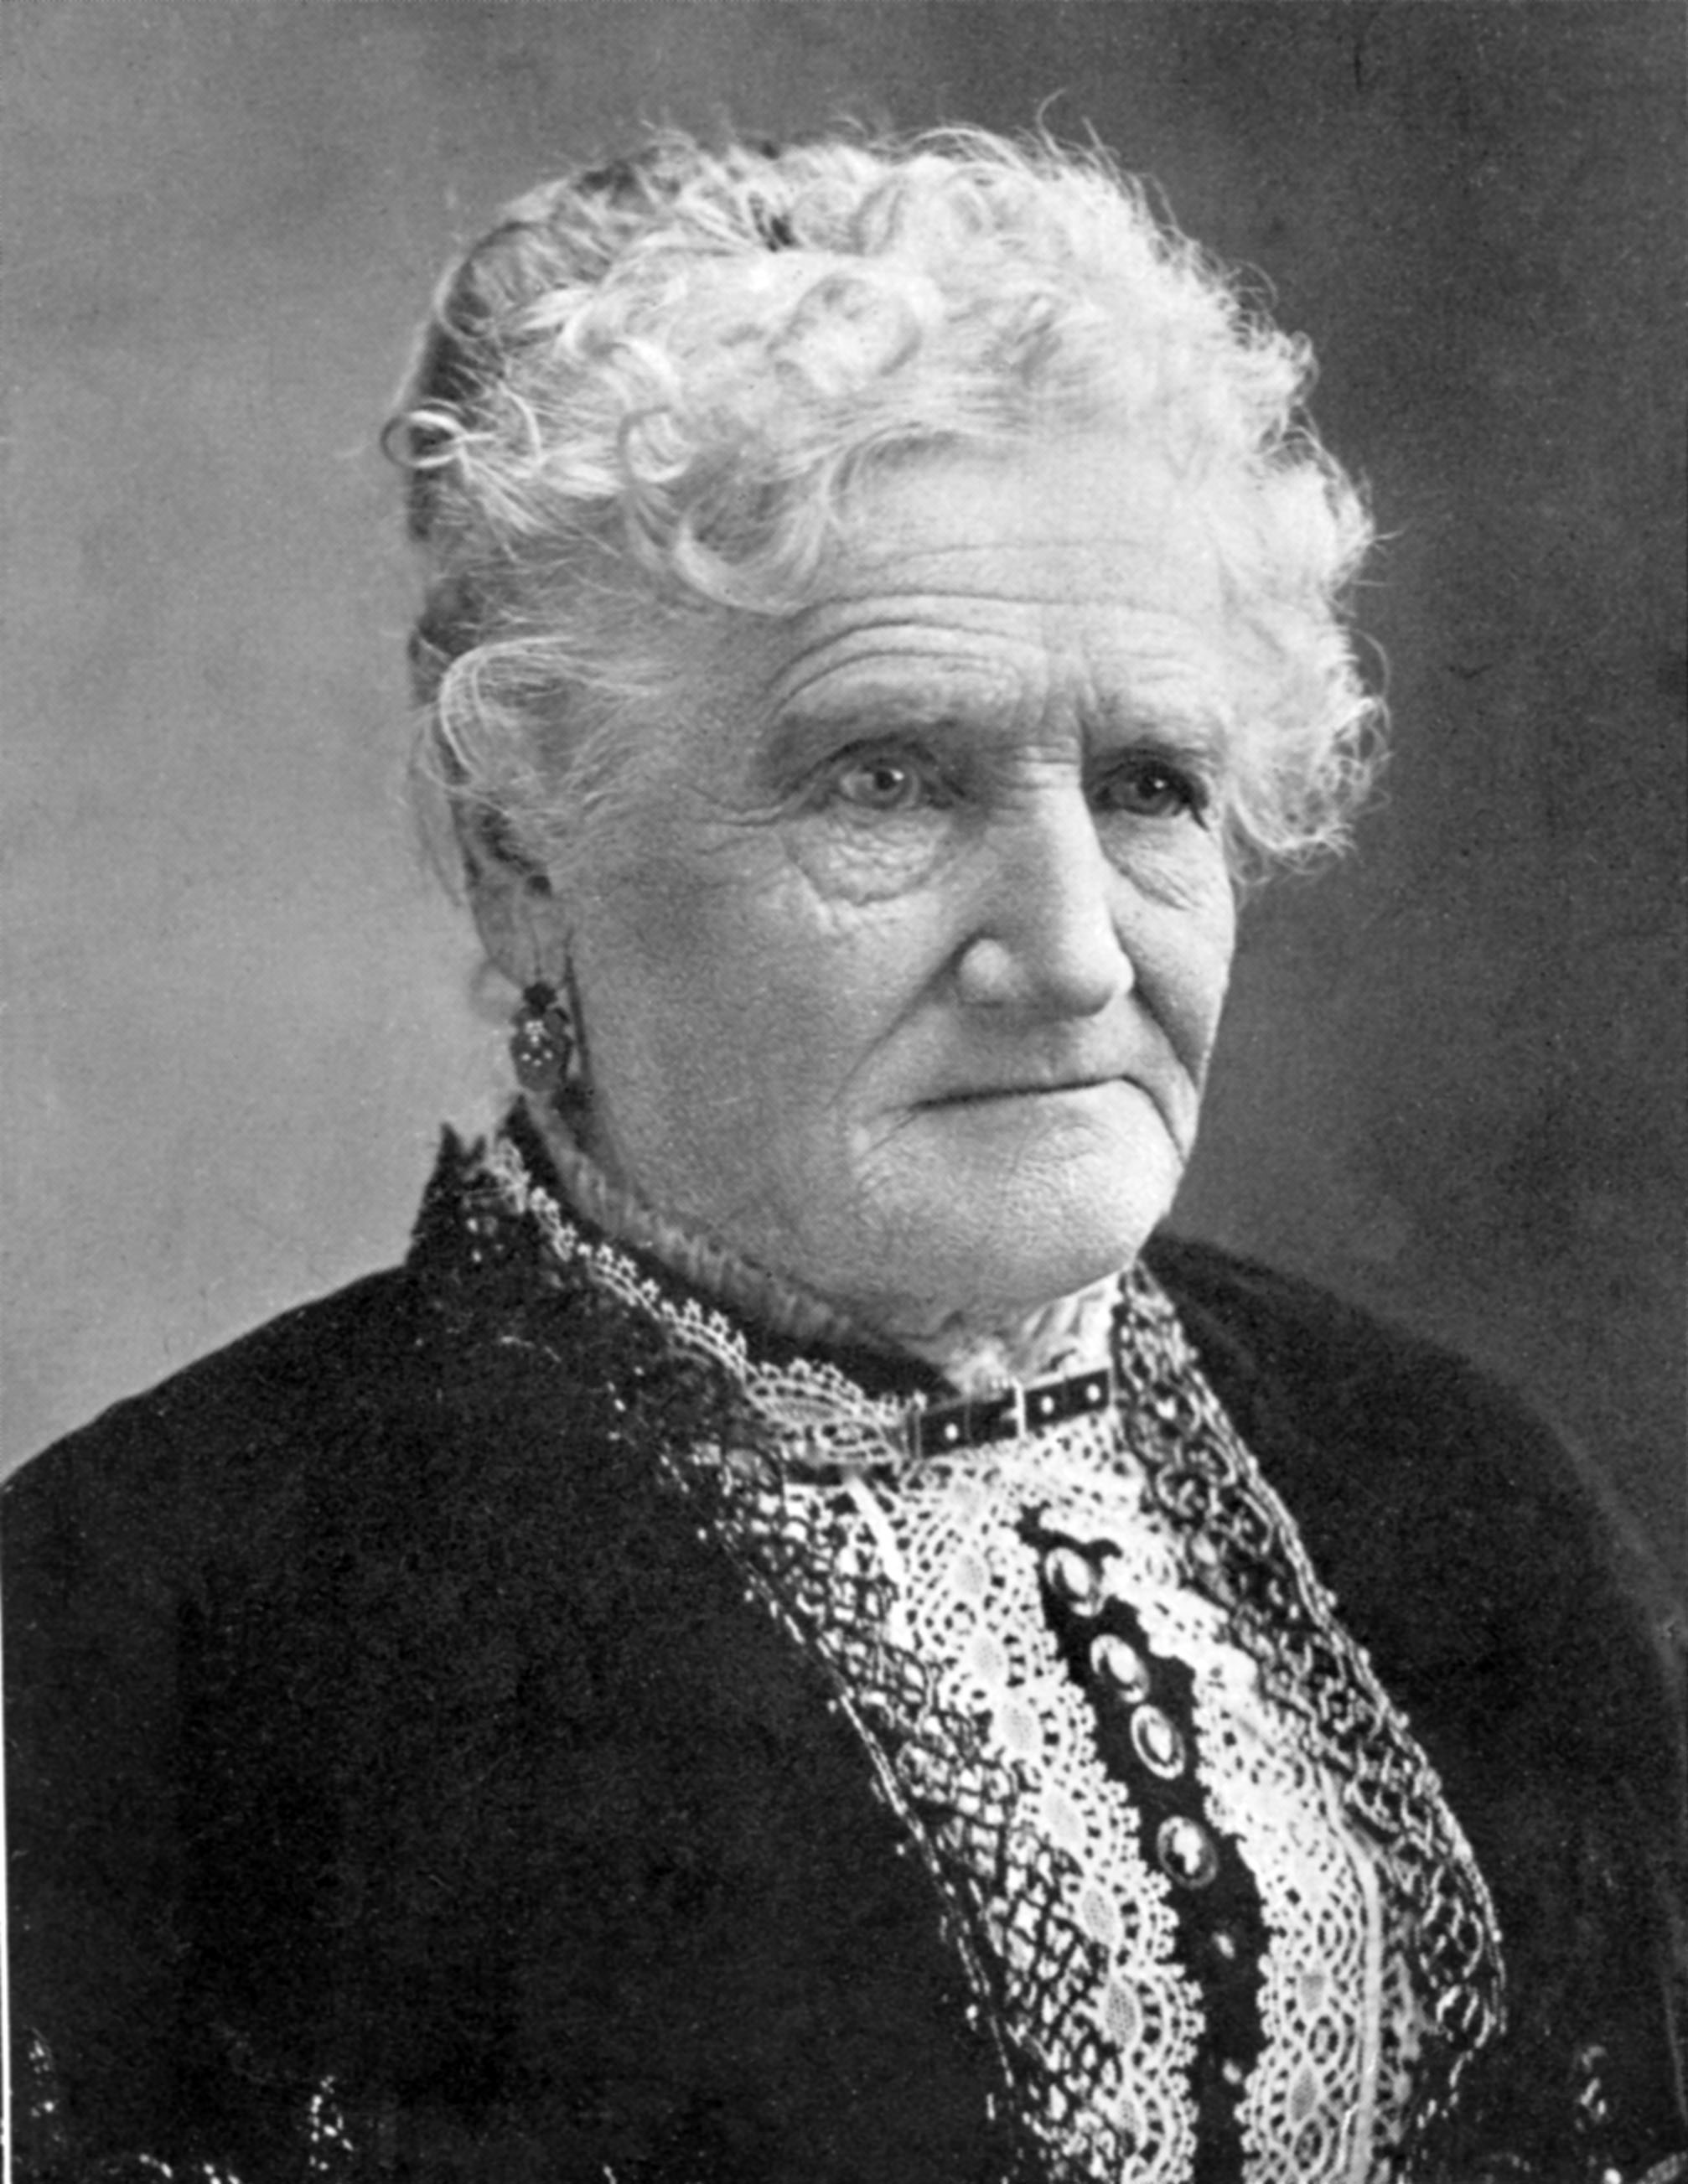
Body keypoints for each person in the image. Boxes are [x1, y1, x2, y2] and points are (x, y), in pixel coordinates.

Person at [4, 128, 1682, 2184]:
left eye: (1151, 785)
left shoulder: (1455, 1501)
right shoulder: (145, 1631)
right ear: (523, 860)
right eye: (884, 778)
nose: (1072, 955)